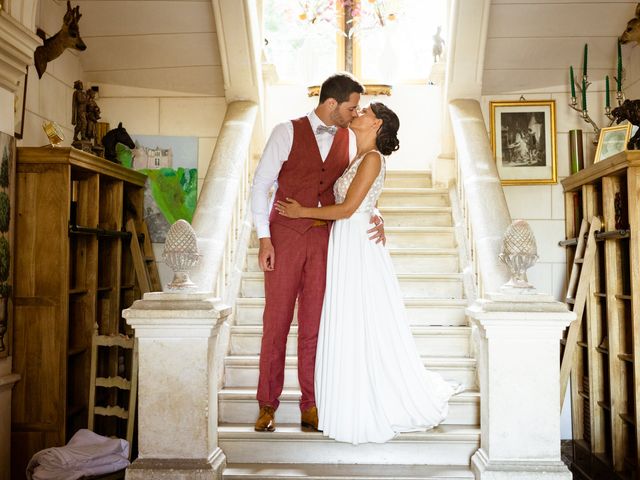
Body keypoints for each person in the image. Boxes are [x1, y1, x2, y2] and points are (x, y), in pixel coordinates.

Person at [275, 103, 462, 444]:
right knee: (350, 319)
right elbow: (362, 201)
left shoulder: (373, 157)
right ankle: (348, 393)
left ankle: (370, 399)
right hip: (347, 241)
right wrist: (375, 211)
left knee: (362, 318)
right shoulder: (357, 157)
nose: (356, 112)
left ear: (376, 123)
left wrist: (302, 212)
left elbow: (348, 209)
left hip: (358, 247)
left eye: (364, 111)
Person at [250, 73, 385, 433]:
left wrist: (377, 214)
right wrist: (264, 238)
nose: (354, 113)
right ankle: (267, 404)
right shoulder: (286, 131)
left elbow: (354, 189)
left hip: (326, 241)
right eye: (351, 107)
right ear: (331, 104)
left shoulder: (349, 139)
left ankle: (310, 404)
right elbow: (261, 185)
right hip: (284, 237)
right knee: (275, 323)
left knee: (314, 326)